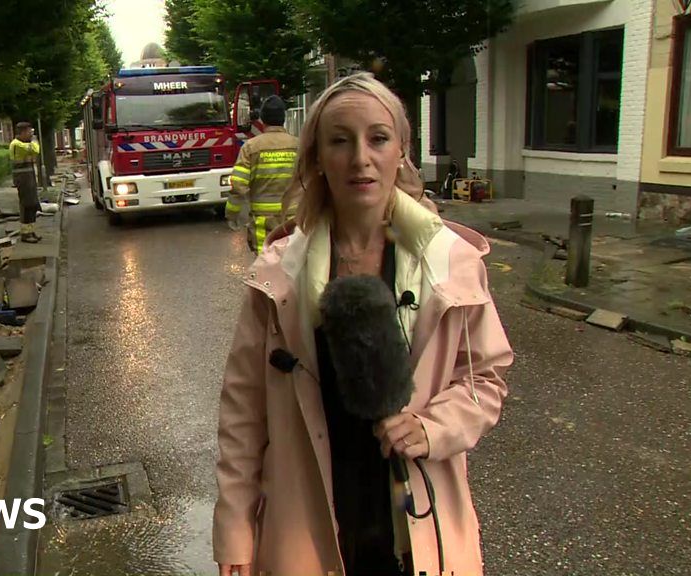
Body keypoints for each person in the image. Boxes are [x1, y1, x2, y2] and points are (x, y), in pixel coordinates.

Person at [213, 73, 513, 576]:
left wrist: (432, 426)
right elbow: (243, 414)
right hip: (306, 529)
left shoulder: (452, 263)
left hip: (418, 528)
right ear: (316, 158)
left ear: (401, 151)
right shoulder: (276, 276)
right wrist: (235, 531)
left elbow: (486, 378)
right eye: (339, 141)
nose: (360, 158)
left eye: (377, 138)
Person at [225, 95, 299, 254]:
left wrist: (232, 214)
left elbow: (238, 184)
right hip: (294, 220)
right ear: (283, 119)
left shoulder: (251, 147)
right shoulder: (298, 146)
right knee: (294, 265)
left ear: (263, 119)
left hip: (263, 223)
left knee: (266, 268)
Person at [9, 122, 42, 243]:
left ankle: (31, 231)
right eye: (29, 132)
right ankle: (25, 234)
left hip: (29, 177)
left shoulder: (22, 143)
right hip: (22, 178)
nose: (30, 135)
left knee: (33, 204)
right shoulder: (17, 144)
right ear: (22, 132)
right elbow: (36, 150)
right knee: (26, 205)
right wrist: (35, 140)